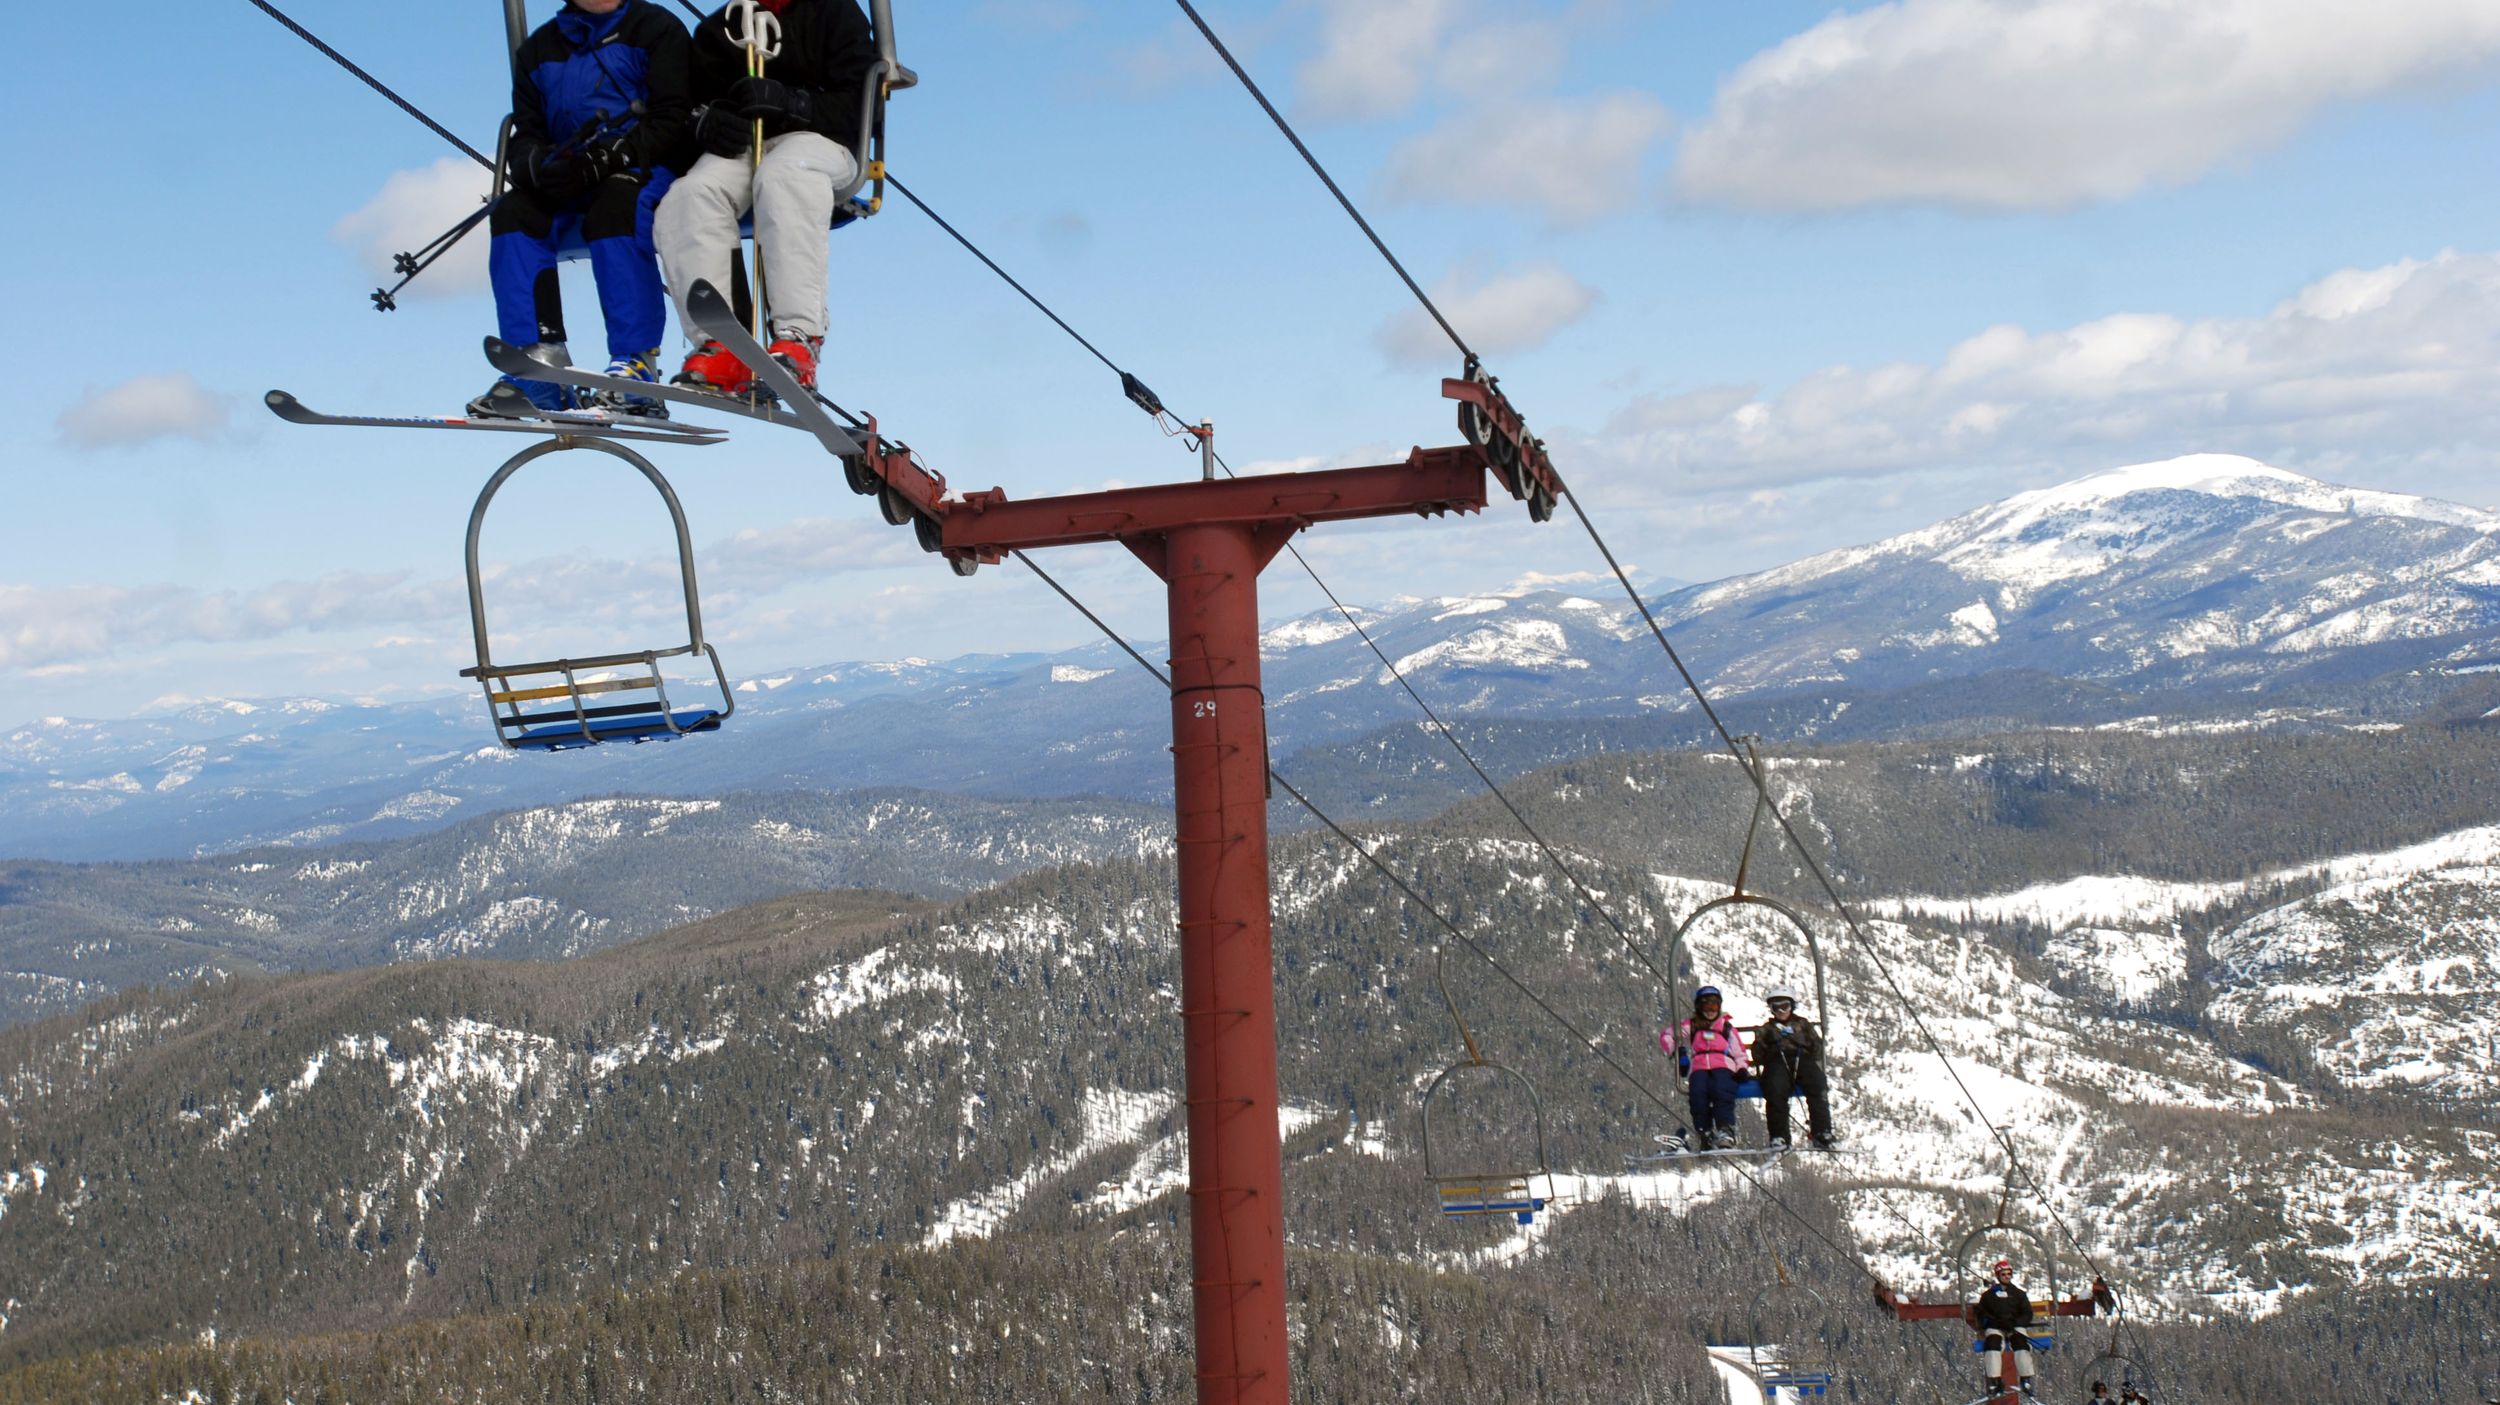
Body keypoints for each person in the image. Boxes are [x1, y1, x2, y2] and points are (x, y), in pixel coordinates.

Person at [472, 0, 693, 419]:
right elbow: (528, 129)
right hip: (570, 171)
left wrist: (616, 155)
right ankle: (538, 365)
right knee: (513, 213)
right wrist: (535, 164)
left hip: (644, 165)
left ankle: (636, 365)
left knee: (615, 209)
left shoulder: (655, 28)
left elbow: (674, 114)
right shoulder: (540, 48)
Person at [656, 0, 876, 396]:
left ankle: (799, 337)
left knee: (784, 176)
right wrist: (709, 123)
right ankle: (721, 344)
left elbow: (862, 103)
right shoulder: (719, 29)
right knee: (689, 195)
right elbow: (689, 109)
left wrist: (795, 103)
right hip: (745, 146)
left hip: (822, 143)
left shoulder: (834, 12)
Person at [1660, 985, 1751, 1150]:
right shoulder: (1692, 1026)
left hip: (1723, 1064)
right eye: (1706, 1006)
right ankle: (1705, 1132)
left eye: (1714, 1006)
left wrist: (1741, 1068)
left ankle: (1726, 1130)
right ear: (1699, 1007)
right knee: (1698, 1094)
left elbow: (1739, 1052)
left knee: (1722, 1090)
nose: (1710, 1010)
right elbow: (1668, 1035)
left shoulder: (1725, 1027)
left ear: (1719, 1006)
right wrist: (1676, 1050)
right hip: (1699, 1066)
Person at [1751, 986, 1837, 1151]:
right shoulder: (1766, 1029)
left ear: (1792, 1006)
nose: (1782, 1011)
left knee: (1817, 1085)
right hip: (1777, 1062)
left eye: (1785, 1006)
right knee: (1775, 1089)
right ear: (1771, 1009)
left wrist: (1804, 1042)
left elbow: (1818, 1050)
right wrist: (1766, 1044)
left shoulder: (1802, 1024)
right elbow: (1757, 1056)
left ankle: (1822, 1131)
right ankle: (1779, 1136)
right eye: (1777, 1007)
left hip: (1801, 1059)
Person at [1972, 1258, 2038, 1399]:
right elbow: (1982, 1313)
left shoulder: (2019, 1294)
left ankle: (2025, 1378)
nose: (2007, 1277)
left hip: (2015, 1326)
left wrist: (2016, 1322)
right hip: (1996, 1327)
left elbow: (2027, 1313)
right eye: (2004, 1274)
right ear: (1998, 1276)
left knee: (2021, 1343)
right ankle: (1994, 1380)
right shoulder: (1988, 1296)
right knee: (1992, 1344)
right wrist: (1994, 1322)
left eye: (2009, 1274)